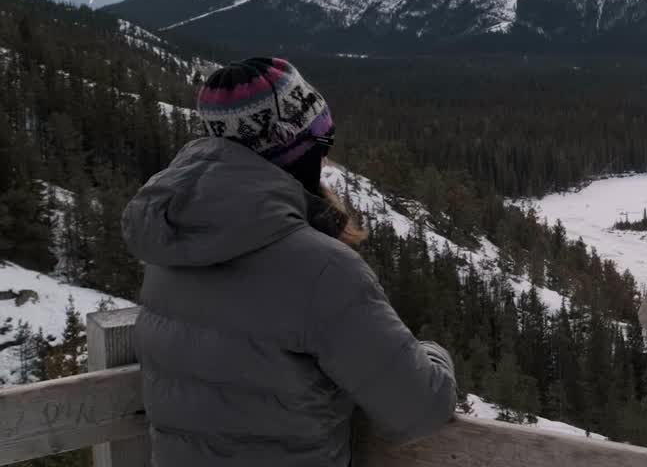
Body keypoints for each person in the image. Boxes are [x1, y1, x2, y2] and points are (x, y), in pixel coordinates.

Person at [123, 57, 456, 467]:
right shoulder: (324, 271)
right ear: (291, 147)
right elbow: (419, 407)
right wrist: (432, 353)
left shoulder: (172, 244)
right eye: (322, 141)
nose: (326, 159)